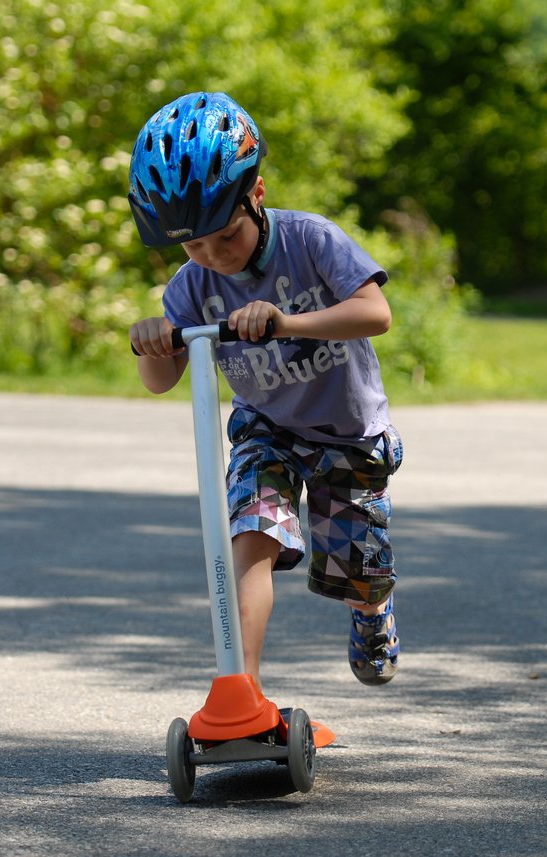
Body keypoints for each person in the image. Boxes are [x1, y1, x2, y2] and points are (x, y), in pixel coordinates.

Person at [126, 92, 403, 688]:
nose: (213, 257)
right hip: (265, 430)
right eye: (193, 245)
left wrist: (287, 322)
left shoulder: (311, 240)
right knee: (252, 535)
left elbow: (375, 313)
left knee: (356, 573)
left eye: (225, 237)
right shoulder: (191, 284)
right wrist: (155, 344)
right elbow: (161, 381)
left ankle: (372, 611)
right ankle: (240, 687)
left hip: (347, 434)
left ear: (256, 194)